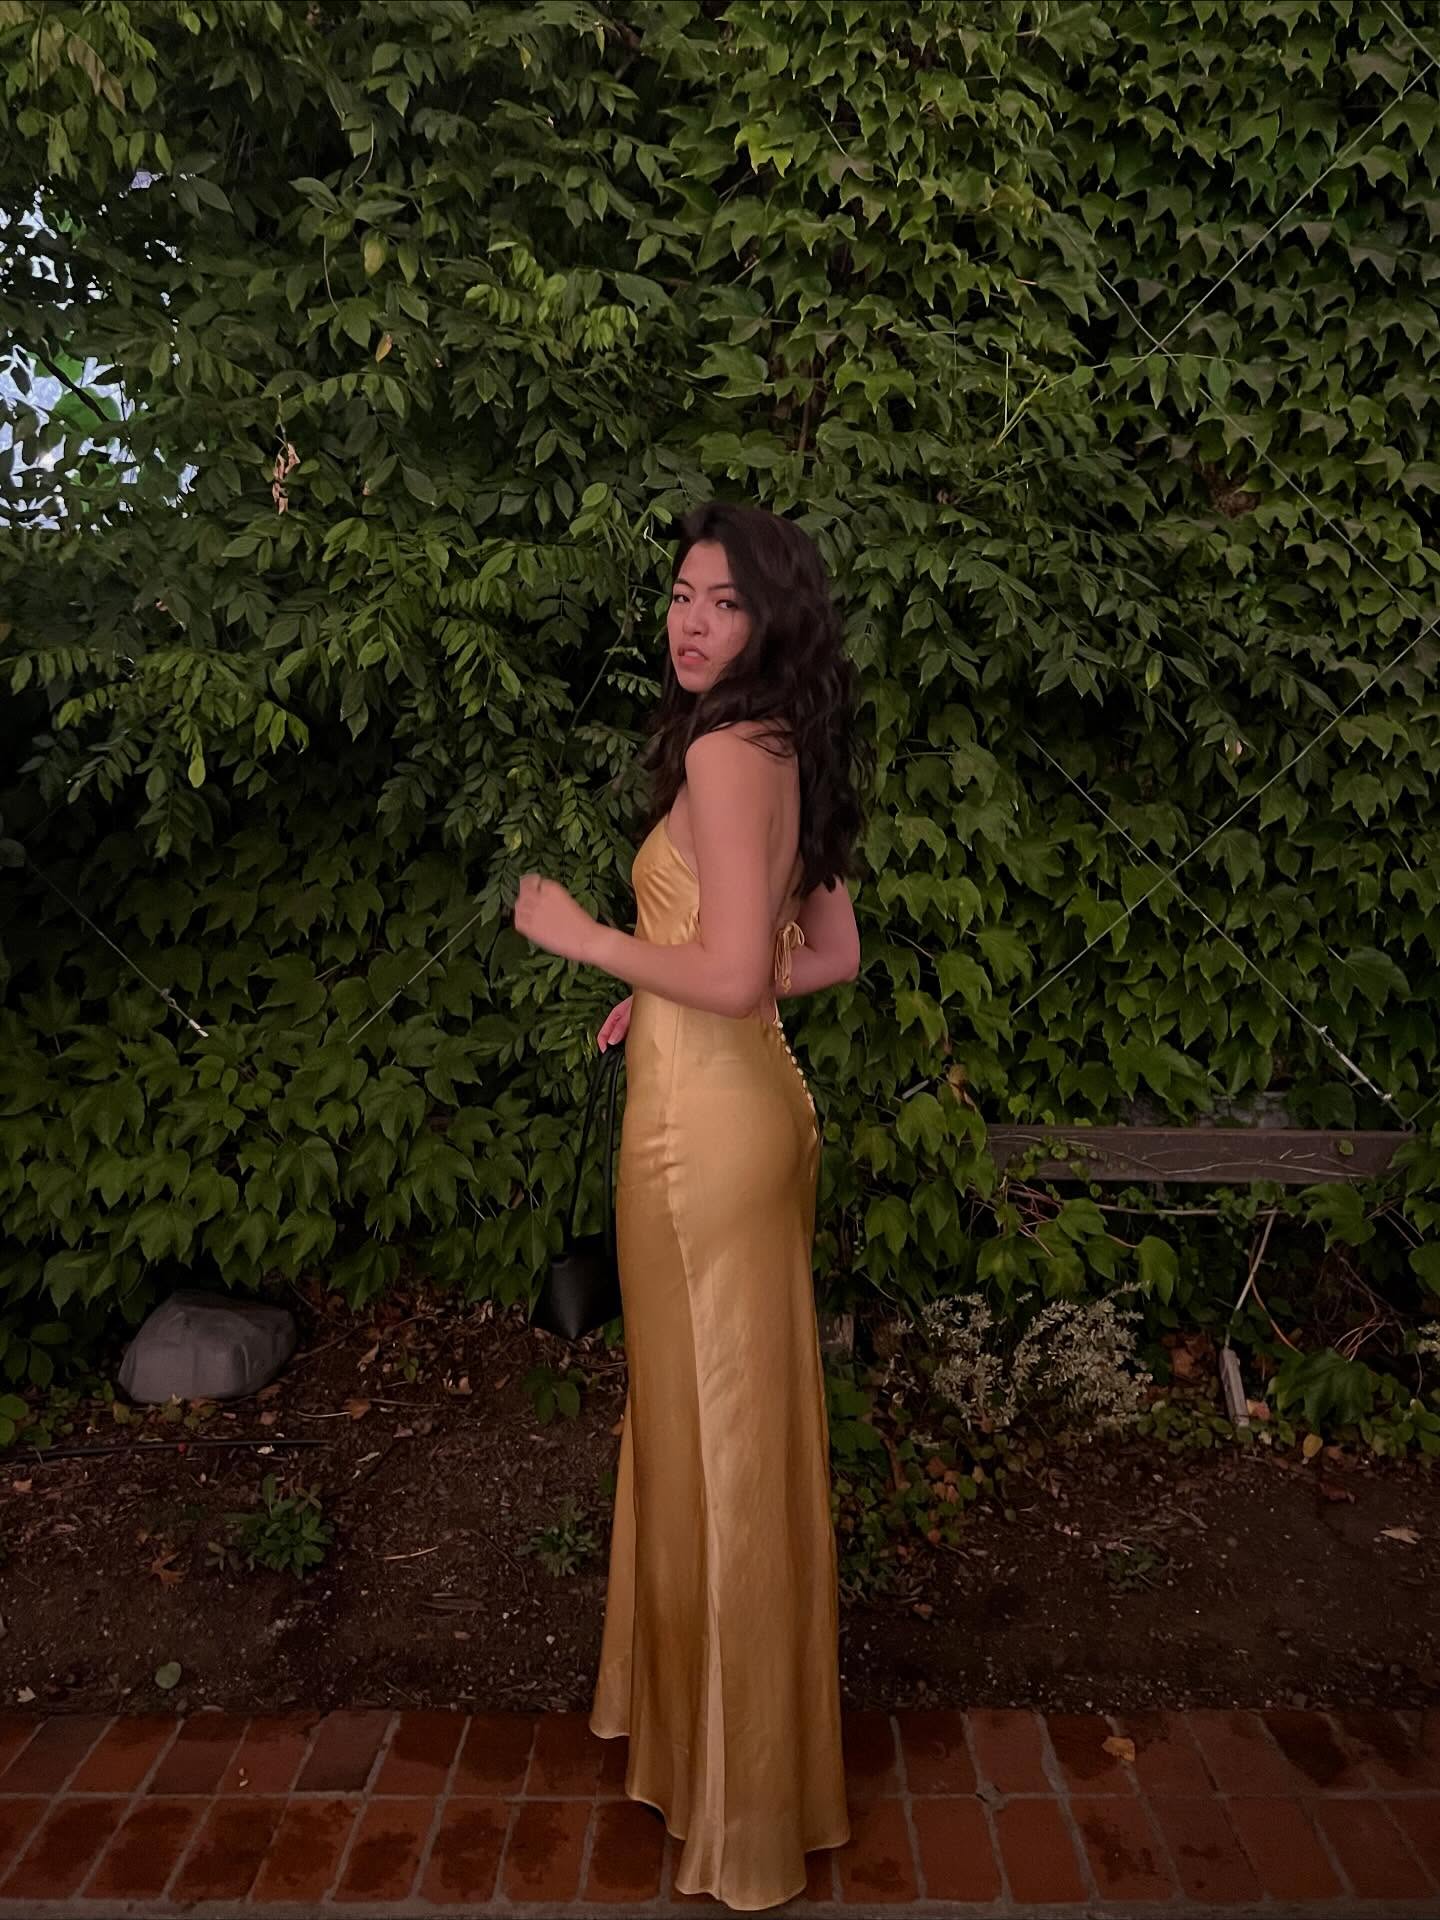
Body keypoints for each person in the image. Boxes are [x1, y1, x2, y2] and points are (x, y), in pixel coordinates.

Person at [512, 499, 871, 1911]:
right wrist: (654, 989)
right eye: (679, 595)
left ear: (772, 618)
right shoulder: (783, 745)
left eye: (723, 600)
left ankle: (738, 1813)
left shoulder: (727, 753)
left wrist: (590, 939)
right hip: (755, 1110)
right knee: (733, 1436)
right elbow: (814, 955)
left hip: (699, 1143)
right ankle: (739, 1767)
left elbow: (731, 973)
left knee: (710, 1443)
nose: (691, 621)